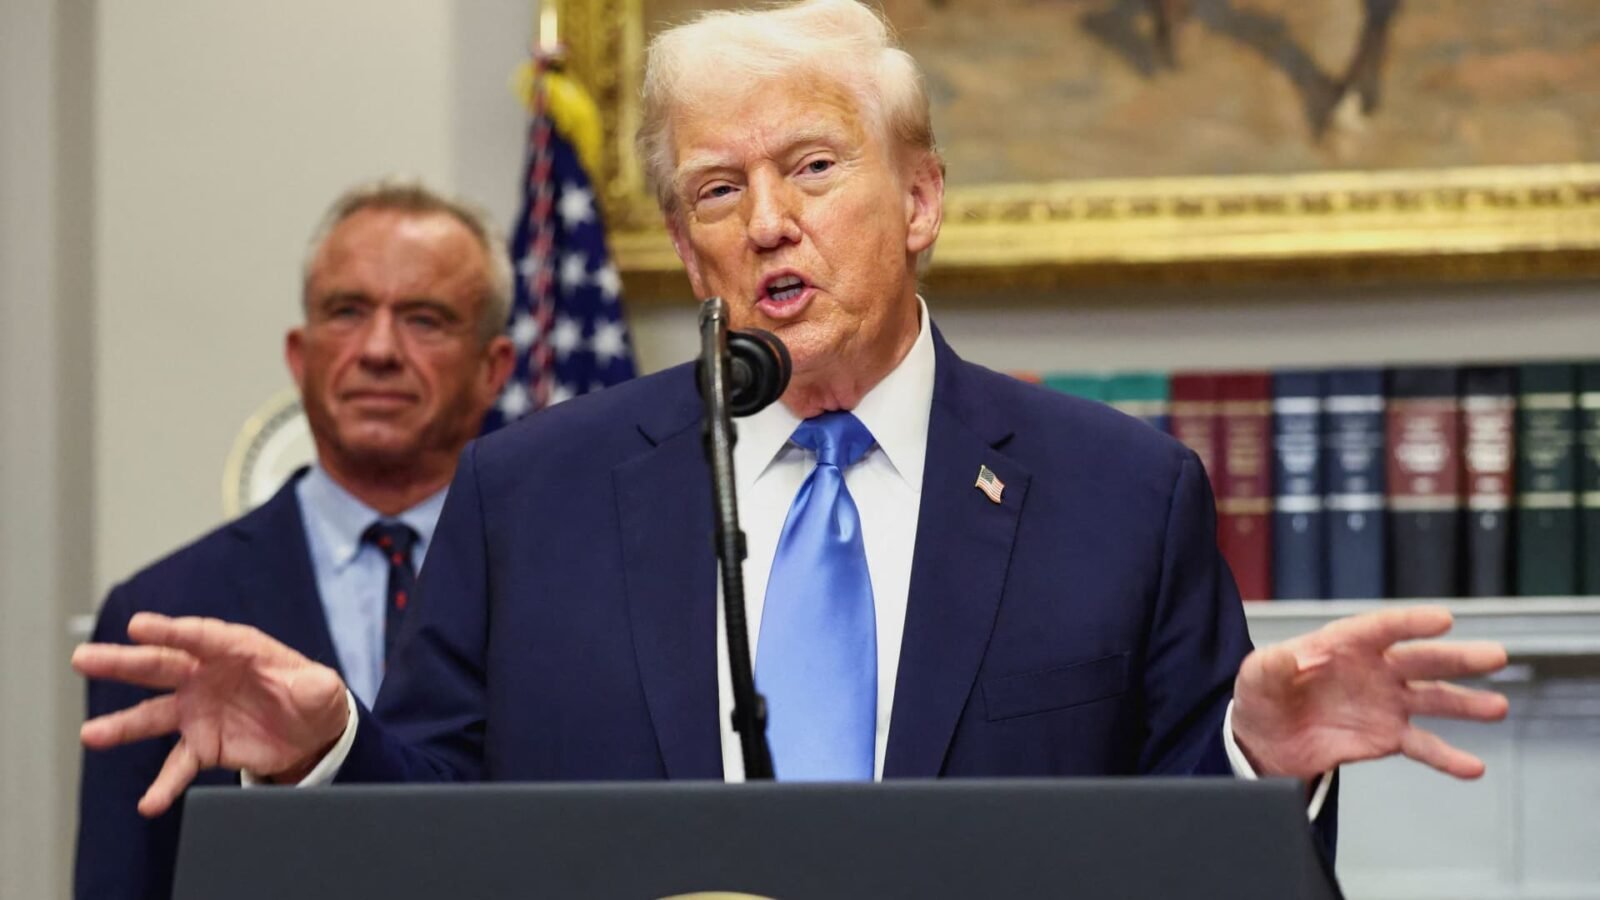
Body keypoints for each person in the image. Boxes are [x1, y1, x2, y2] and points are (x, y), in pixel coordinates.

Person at [74, 0, 1508, 867]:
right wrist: (331, 752)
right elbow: (449, 834)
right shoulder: (534, 495)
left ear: (922, 202)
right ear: (691, 251)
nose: (767, 221)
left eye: (813, 167)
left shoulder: (1120, 495)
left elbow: (1186, 862)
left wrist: (1261, 770)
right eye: (715, 190)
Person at [74, 179, 515, 900]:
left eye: (424, 319)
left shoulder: (566, 586)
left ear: (493, 368)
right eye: (347, 312)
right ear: (299, 354)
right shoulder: (164, 609)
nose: (378, 350)